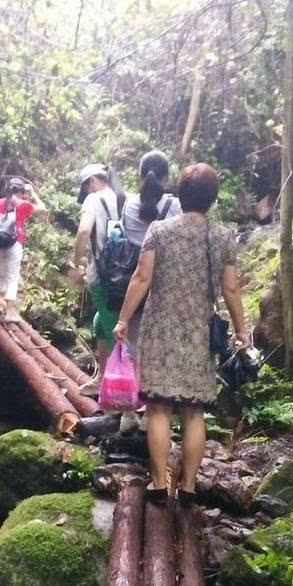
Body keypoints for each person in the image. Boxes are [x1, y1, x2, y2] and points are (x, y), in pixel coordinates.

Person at [114, 163, 249, 504]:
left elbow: (141, 278)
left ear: (181, 195)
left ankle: (159, 484)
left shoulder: (159, 230)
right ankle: (188, 488)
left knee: (158, 409)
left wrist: (123, 320)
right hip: (198, 332)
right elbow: (231, 289)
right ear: (212, 199)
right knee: (193, 413)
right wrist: (241, 331)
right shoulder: (222, 237)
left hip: (159, 329)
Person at [119, 150, 183, 432]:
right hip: (162, 285)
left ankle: (127, 414)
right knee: (155, 351)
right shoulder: (176, 206)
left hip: (131, 282)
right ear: (167, 178)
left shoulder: (128, 204)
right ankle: (149, 416)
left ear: (140, 174)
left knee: (131, 349)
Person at [67, 163, 121, 396]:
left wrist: (76, 264)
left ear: (91, 182)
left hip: (103, 276)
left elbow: (83, 231)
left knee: (112, 331)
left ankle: (121, 396)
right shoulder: (121, 198)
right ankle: (102, 378)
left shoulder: (94, 199)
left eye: (86, 187)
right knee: (100, 322)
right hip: (121, 274)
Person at [0, 177, 47, 322]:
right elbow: (43, 208)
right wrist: (33, 192)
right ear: (22, 191)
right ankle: (10, 313)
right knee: (12, 277)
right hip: (14, 243)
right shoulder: (23, 204)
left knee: (1, 274)